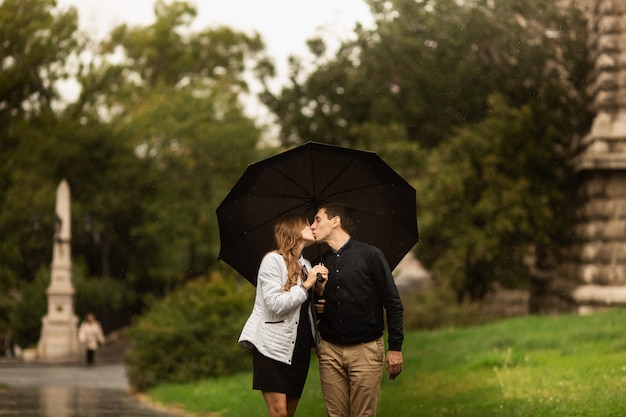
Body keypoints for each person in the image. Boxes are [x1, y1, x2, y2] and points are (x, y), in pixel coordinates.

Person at [311, 202, 404, 417]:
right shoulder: (318, 264)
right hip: (329, 351)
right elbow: (309, 311)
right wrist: (319, 294)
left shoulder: (370, 255)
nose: (312, 225)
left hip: (366, 349)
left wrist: (395, 348)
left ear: (336, 221)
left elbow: (393, 302)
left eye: (317, 219)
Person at [239, 213, 329, 417]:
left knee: (289, 413)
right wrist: (307, 284)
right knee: (278, 413)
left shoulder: (306, 264)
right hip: (272, 347)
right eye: (307, 225)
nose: (312, 228)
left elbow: (304, 308)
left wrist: (320, 290)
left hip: (299, 347)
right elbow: (275, 305)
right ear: (294, 231)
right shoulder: (272, 261)